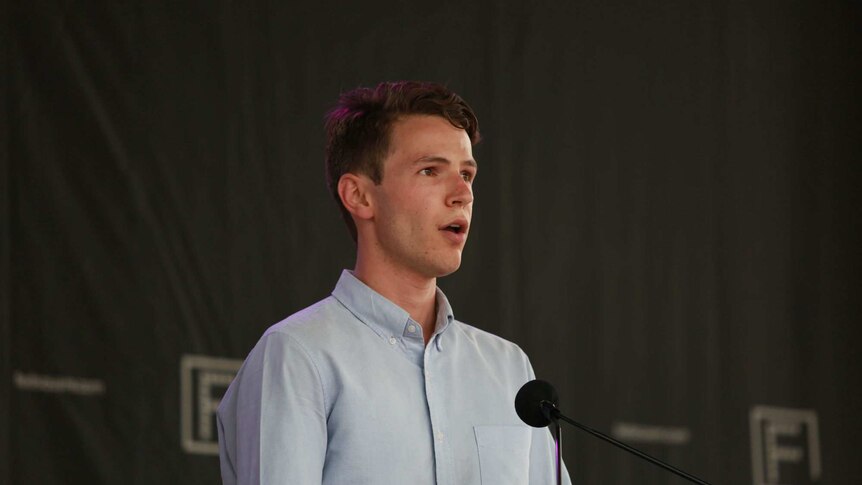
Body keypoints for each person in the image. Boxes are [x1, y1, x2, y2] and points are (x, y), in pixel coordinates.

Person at [216, 81, 571, 485]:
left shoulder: (509, 369)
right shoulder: (297, 355)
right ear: (360, 196)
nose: (462, 194)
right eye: (430, 170)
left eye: (467, 174)